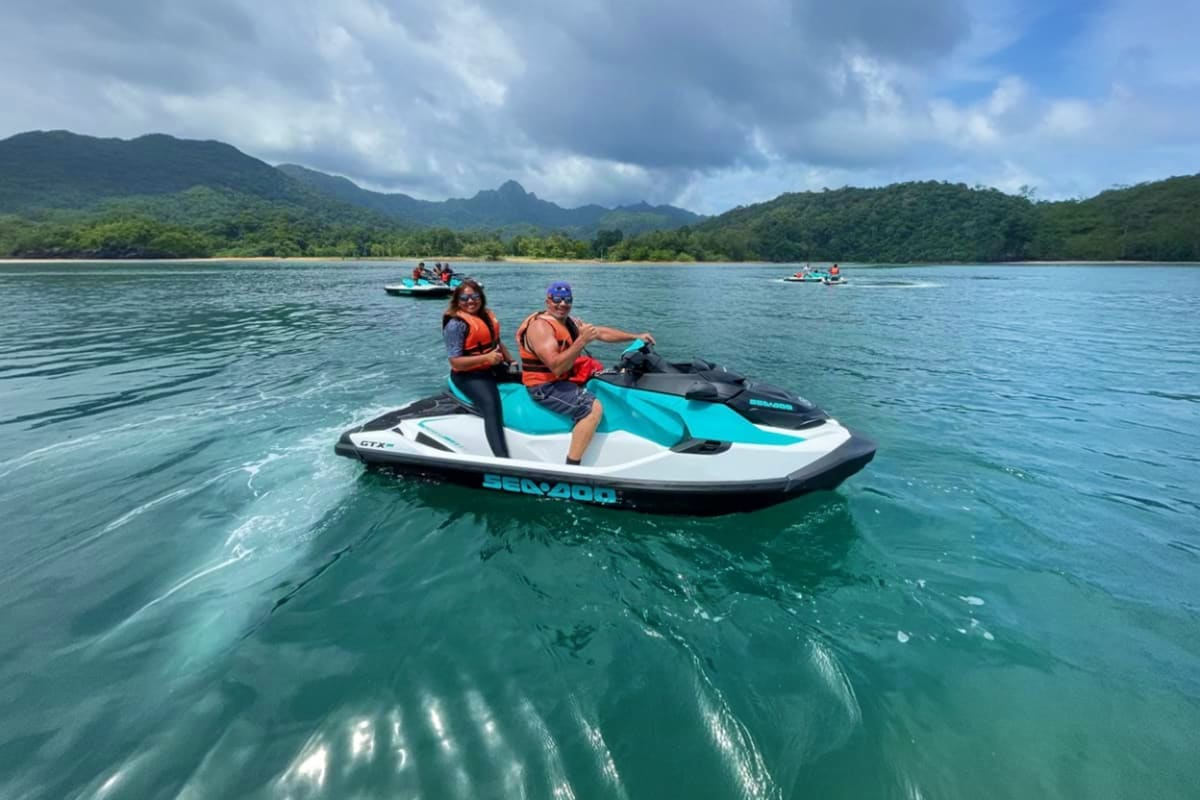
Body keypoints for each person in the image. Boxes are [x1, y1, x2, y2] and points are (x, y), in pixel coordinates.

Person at [516, 281, 654, 465]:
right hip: (544, 386)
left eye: (567, 300)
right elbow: (556, 367)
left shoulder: (568, 321)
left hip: (563, 378)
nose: (563, 304)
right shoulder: (540, 328)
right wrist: (581, 341)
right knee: (591, 409)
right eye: (557, 299)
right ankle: (573, 464)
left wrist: (635, 336)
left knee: (608, 379)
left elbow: (601, 333)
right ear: (547, 301)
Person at [443, 279, 514, 458]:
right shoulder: (456, 325)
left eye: (474, 296)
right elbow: (455, 362)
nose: (470, 301)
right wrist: (486, 358)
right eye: (464, 298)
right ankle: (502, 459)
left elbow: (495, 341)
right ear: (457, 301)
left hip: (491, 366)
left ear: (481, 298)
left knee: (526, 380)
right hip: (468, 375)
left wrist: (511, 361)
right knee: (492, 406)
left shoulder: (486, 316)